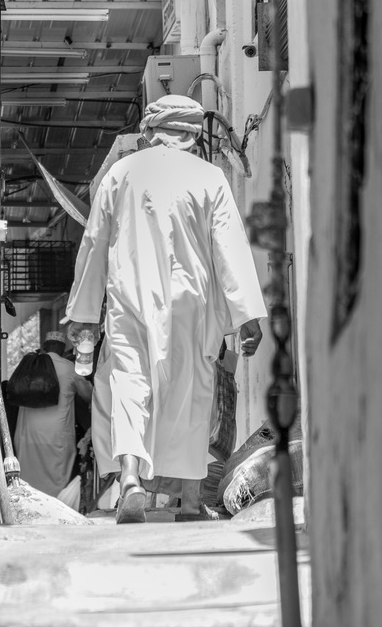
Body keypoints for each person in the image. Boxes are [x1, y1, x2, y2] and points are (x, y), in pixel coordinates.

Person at [63, 94, 266, 524]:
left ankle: (132, 481)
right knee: (192, 396)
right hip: (194, 305)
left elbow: (95, 243)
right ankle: (190, 503)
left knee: (129, 386)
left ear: (151, 132)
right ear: (192, 135)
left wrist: (82, 312)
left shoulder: (122, 172)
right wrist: (247, 315)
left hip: (130, 300)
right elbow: (231, 247)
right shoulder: (210, 177)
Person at [14, 330, 93, 499]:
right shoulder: (69, 368)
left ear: (43, 347)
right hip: (56, 436)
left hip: (28, 433)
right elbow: (88, 395)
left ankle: (30, 505)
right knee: (56, 476)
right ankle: (55, 509)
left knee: (29, 476)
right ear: (64, 350)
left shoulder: (30, 366)